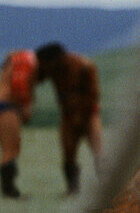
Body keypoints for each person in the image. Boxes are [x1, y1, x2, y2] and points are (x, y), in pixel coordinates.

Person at [36, 42, 103, 195]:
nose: (44, 66)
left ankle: (107, 187)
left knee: (97, 150)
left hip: (89, 114)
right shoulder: (52, 68)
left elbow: (93, 94)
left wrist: (81, 114)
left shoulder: (84, 66)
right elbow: (37, 76)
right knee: (68, 153)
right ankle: (73, 189)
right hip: (68, 116)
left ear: (55, 59)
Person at [0, 48, 38, 198]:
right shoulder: (29, 60)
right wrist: (26, 106)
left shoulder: (14, 60)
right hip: (6, 105)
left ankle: (9, 189)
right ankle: (9, 191)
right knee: (11, 150)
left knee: (8, 149)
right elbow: (20, 85)